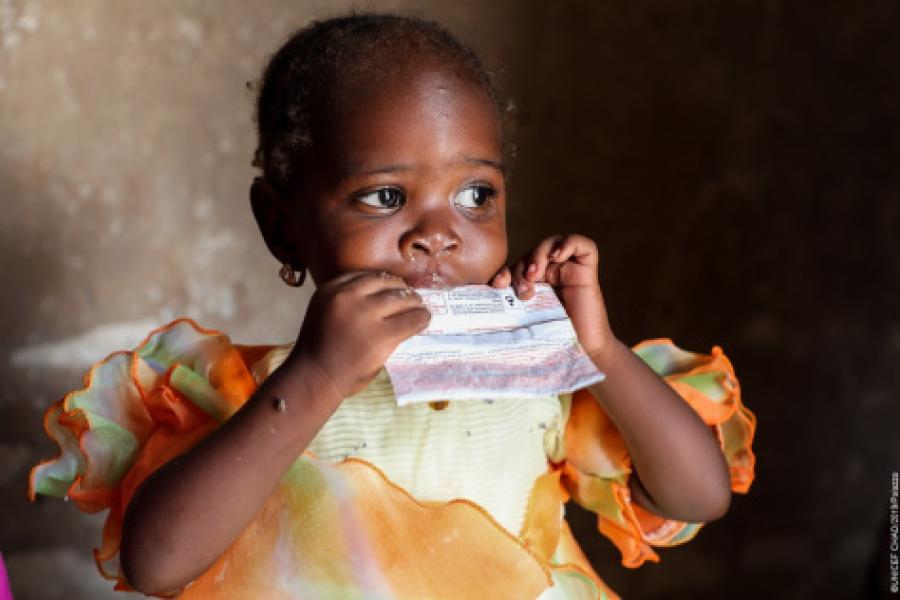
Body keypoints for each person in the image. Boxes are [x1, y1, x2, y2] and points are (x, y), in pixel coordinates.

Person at [28, 13, 756, 599]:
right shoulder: (253, 397)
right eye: (384, 196)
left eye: (476, 195)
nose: (439, 235)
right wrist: (311, 382)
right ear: (282, 227)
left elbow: (699, 497)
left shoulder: (538, 379)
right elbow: (155, 566)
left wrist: (597, 352)